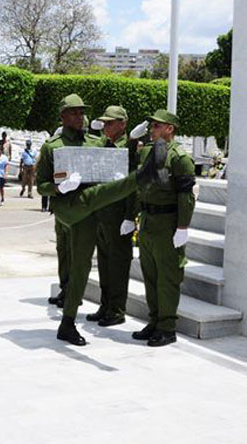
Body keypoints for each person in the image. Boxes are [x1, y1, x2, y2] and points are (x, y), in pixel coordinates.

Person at [36, 94, 168, 346]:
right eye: (74, 112)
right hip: (70, 206)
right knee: (94, 196)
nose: (80, 116)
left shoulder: (95, 142)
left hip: (91, 211)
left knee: (82, 267)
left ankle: (67, 322)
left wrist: (131, 141)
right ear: (62, 116)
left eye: (82, 112)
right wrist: (58, 188)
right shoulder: (52, 147)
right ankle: (145, 175)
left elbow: (118, 161)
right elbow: (41, 185)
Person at [132, 110, 195, 347]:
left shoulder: (179, 158)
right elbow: (140, 187)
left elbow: (185, 195)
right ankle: (155, 321)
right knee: (150, 276)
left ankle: (167, 328)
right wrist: (133, 217)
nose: (152, 129)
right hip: (148, 222)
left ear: (169, 128)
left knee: (167, 278)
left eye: (157, 126)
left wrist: (182, 226)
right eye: (152, 126)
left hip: (168, 224)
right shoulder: (148, 152)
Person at [89, 106, 136, 327]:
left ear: (122, 124)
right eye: (104, 123)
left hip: (119, 215)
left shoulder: (131, 147)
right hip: (103, 213)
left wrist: (130, 216)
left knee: (118, 265)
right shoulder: (103, 145)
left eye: (110, 123)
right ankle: (105, 305)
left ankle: (116, 310)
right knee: (105, 264)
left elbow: (134, 185)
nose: (106, 126)